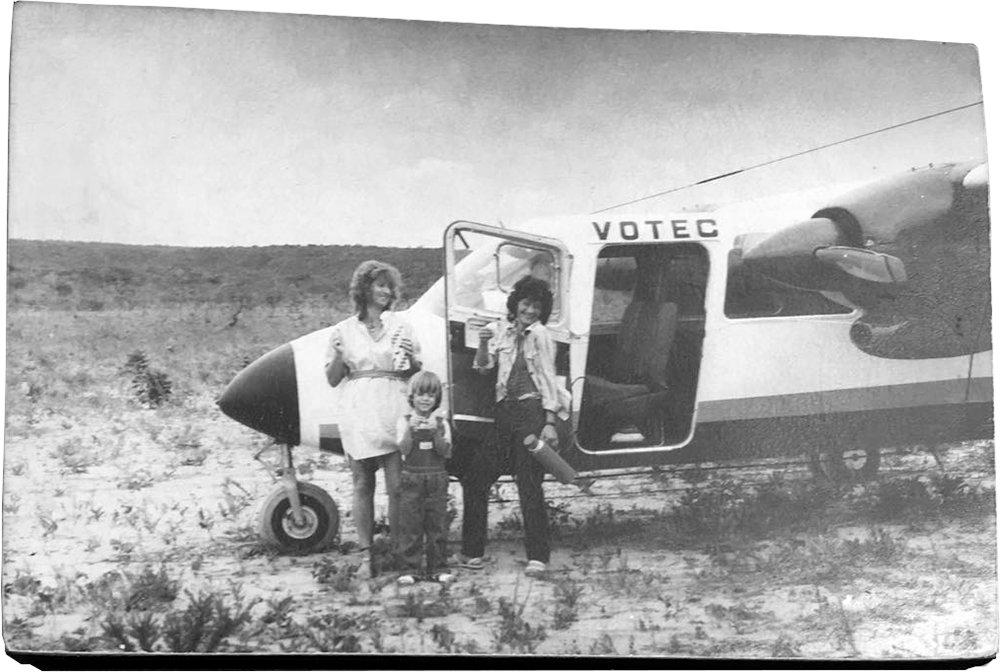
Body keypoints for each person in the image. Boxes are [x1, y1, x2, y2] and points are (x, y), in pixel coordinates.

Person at [462, 275, 564, 576]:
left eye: (536, 306)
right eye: (526, 303)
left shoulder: (542, 335)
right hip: (504, 412)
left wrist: (549, 422)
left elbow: (548, 378)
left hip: (531, 411)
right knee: (476, 477)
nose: (530, 310)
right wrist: (482, 344)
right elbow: (483, 368)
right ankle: (472, 552)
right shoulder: (499, 331)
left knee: (528, 482)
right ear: (515, 304)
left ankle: (538, 557)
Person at [325, 260, 420, 563]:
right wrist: (339, 356)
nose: (386, 291)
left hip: (393, 406)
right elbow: (332, 378)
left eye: (389, 286)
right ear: (364, 288)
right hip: (359, 409)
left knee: (397, 487)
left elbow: (415, 370)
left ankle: (397, 548)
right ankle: (366, 550)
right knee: (363, 482)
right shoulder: (343, 330)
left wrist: (410, 359)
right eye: (380, 284)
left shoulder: (402, 326)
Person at [395, 370, 454, 585]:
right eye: (421, 394)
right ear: (412, 396)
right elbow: (403, 448)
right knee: (411, 526)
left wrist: (435, 432)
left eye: (430, 395)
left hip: (437, 478)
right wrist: (411, 430)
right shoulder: (404, 421)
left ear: (436, 398)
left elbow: (445, 452)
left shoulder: (441, 422)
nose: (425, 399)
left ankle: (438, 568)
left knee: (437, 525)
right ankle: (410, 569)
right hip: (412, 478)